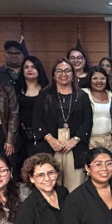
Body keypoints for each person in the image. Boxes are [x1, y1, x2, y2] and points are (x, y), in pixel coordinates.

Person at [33, 58, 93, 191]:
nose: (63, 74)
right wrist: (50, 139)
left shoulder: (82, 96)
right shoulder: (45, 95)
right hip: (51, 143)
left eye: (67, 71)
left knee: (75, 186)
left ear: (73, 74)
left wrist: (75, 140)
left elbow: (88, 121)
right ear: (53, 75)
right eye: (59, 71)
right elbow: (36, 119)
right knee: (52, 183)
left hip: (75, 145)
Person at [15, 55, 51, 172]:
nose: (29, 70)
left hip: (44, 137)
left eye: (33, 67)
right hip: (22, 138)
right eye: (26, 67)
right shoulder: (16, 90)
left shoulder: (48, 90)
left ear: (39, 70)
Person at [81, 66, 112, 153]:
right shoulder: (83, 93)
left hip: (109, 140)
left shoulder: (111, 95)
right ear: (89, 80)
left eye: (102, 78)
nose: (99, 81)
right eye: (95, 78)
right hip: (90, 140)